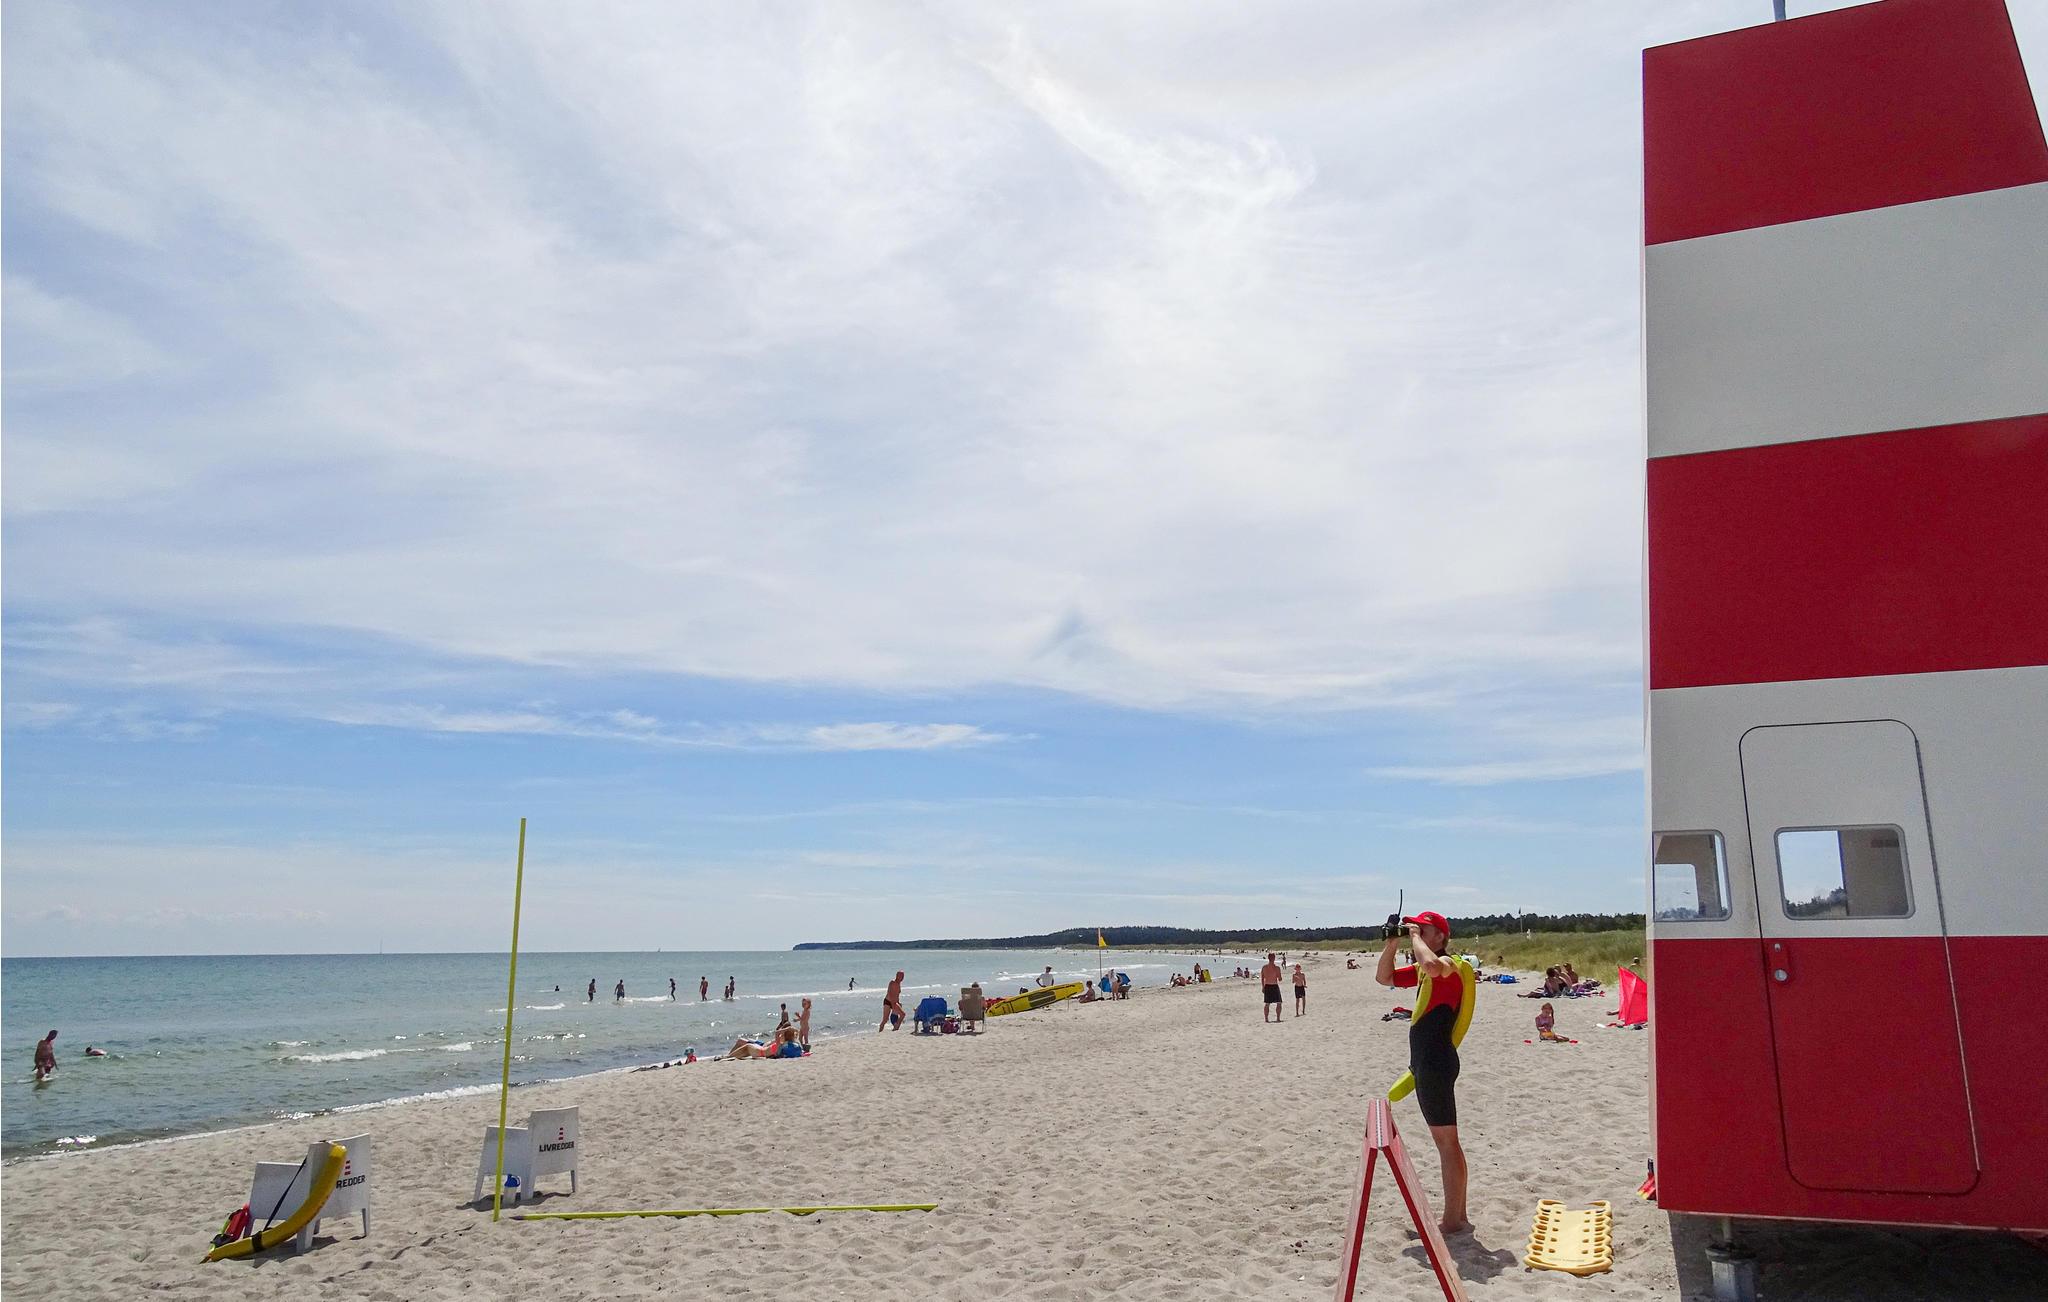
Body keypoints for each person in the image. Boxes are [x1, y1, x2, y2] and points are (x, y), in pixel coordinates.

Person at [1376, 910, 1471, 1235]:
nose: (1415, 931)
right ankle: (1458, 1215)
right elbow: (1384, 978)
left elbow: (1433, 965)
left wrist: (1414, 937)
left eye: (1423, 928)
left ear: (1441, 937)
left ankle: (1452, 1220)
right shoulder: (1422, 970)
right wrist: (1392, 943)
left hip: (1436, 1062)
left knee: (1447, 1143)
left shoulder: (1449, 965)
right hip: (1428, 1062)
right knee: (1448, 1142)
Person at [1260, 952, 1284, 1023]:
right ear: (1274, 958)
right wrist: (1279, 976)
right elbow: (1280, 979)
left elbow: (1262, 978)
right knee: (1279, 1002)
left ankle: (1266, 1019)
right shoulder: (1277, 968)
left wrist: (1263, 987)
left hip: (1267, 985)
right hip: (1274, 985)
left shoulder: (1264, 967)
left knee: (1267, 1003)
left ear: (1268, 958)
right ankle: (1278, 1018)